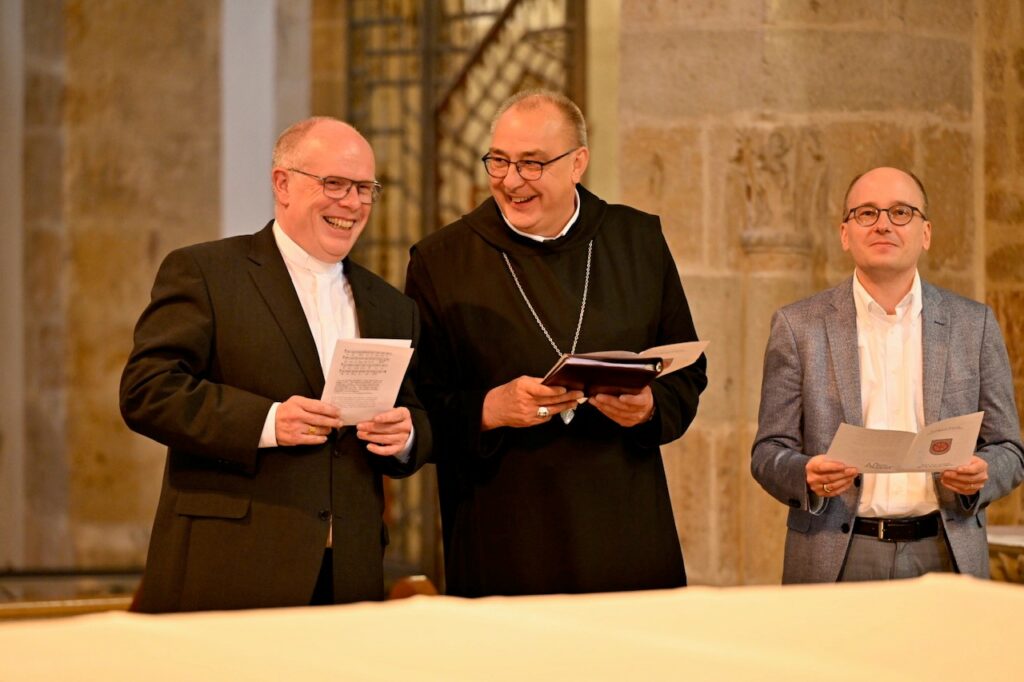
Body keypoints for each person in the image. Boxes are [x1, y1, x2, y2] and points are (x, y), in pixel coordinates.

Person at [120, 117, 431, 612]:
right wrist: (268, 422)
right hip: (230, 564)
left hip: (349, 575)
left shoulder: (392, 305)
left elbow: (415, 411)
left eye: (364, 189)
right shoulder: (206, 272)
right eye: (334, 183)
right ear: (282, 184)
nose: (351, 203)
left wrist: (407, 434)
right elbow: (147, 390)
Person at [405, 90, 707, 597]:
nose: (510, 180)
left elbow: (687, 368)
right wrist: (491, 408)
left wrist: (651, 405)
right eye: (498, 161)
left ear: (578, 164)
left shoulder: (637, 240)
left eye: (532, 164)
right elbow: (413, 404)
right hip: (504, 529)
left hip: (624, 523)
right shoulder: (442, 261)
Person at [751, 166, 1024, 583]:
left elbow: (1010, 449)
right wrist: (805, 473)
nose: (883, 224)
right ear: (845, 234)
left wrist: (980, 475)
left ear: (925, 233)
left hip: (944, 550)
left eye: (901, 212)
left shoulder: (975, 324)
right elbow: (768, 451)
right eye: (866, 213)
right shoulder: (798, 327)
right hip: (838, 554)